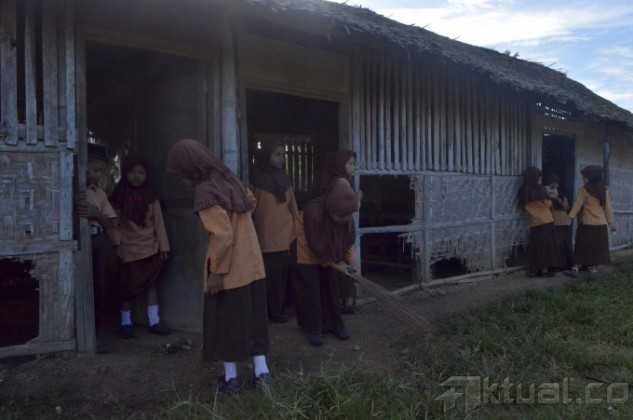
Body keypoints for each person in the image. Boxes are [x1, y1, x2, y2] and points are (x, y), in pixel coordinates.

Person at [167, 138, 270, 394]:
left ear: (191, 168)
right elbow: (251, 202)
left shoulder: (206, 190)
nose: (181, 180)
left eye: (181, 175)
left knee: (226, 324)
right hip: (253, 266)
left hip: (230, 271)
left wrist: (216, 272)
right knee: (254, 320)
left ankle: (231, 379)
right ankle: (262, 373)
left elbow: (222, 236)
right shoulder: (230, 180)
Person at [109, 155, 171, 338]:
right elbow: (114, 224)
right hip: (127, 250)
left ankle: (154, 322)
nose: (136, 176)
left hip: (150, 249)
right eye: (132, 172)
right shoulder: (118, 197)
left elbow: (159, 224)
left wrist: (164, 248)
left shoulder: (152, 198)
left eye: (141, 172)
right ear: (125, 173)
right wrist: (117, 246)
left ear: (147, 175)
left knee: (151, 286)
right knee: (126, 289)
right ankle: (126, 323)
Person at [294, 175, 360, 346]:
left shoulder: (345, 213)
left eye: (348, 216)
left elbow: (347, 242)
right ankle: (314, 329)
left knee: (331, 287)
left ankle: (335, 325)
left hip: (328, 253)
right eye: (341, 216)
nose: (345, 220)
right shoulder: (313, 214)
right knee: (311, 290)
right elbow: (315, 247)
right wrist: (337, 266)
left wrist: (351, 264)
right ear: (331, 209)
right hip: (308, 251)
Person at [75, 143, 120, 351]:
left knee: (98, 286)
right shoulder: (68, 189)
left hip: (97, 242)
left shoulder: (99, 193)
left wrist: (96, 214)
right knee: (75, 286)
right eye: (96, 170)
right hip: (74, 243)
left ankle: (94, 335)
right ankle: (72, 333)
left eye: (101, 171)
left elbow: (111, 223)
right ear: (82, 167)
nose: (99, 175)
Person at [250, 139, 300, 324]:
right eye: (277, 154)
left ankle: (278, 311)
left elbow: (293, 208)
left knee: (280, 278)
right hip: (263, 237)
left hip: (284, 238)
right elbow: (250, 208)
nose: (281, 158)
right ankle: (265, 312)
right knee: (264, 277)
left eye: (283, 155)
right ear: (266, 156)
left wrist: (296, 231)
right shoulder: (256, 180)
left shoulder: (285, 180)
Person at [316, 150, 362, 314]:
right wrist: (357, 201)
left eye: (354, 164)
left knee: (343, 268)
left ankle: (343, 303)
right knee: (337, 270)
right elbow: (342, 212)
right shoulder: (340, 184)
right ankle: (339, 306)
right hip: (336, 233)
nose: (354, 167)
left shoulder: (340, 182)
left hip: (340, 233)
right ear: (339, 165)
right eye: (350, 164)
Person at [566, 165, 616, 275]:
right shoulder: (604, 190)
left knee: (582, 246)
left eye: (586, 177)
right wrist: (610, 223)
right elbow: (608, 209)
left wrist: (570, 217)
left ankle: (576, 267)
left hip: (587, 224)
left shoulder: (585, 190)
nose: (584, 179)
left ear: (592, 177)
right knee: (596, 248)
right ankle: (593, 268)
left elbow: (577, 204)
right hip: (600, 225)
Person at [517, 167, 561, 277]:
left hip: (535, 222)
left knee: (537, 247)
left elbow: (522, 206)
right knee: (548, 247)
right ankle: (548, 269)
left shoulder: (523, 190)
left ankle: (538, 270)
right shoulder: (540, 188)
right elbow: (548, 204)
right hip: (547, 220)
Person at [546, 174, 574, 272]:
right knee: (557, 244)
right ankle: (558, 266)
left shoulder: (562, 194)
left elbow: (567, 207)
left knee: (565, 244)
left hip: (564, 221)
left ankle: (567, 265)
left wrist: (560, 202)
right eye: (552, 183)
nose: (554, 185)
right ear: (549, 183)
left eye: (556, 183)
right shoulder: (546, 194)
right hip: (555, 222)